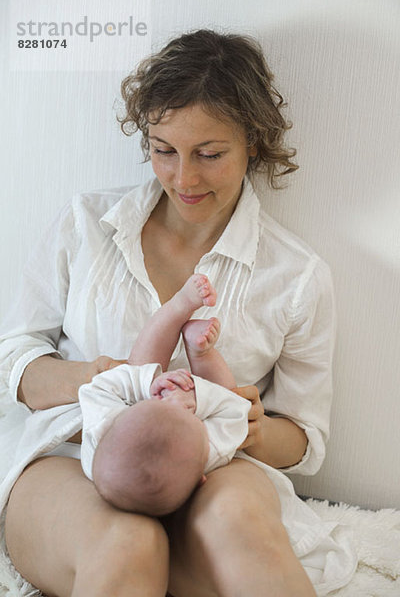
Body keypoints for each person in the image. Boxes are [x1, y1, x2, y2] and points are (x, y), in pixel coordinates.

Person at [0, 29, 357, 597]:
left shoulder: (296, 276)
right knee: (125, 546)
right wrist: (97, 380)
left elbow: (305, 438)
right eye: (163, 149)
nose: (183, 179)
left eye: (209, 155)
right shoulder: (85, 225)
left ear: (254, 145)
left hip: (214, 467)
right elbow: (13, 357)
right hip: (75, 455)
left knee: (241, 531)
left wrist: (253, 430)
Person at [86, 273, 250, 517]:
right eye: (183, 415)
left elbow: (98, 388)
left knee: (138, 365)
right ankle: (201, 352)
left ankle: (179, 306)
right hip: (203, 401)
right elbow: (236, 410)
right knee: (227, 392)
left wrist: (148, 384)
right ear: (200, 479)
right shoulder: (207, 454)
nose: (170, 398)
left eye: (157, 406)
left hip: (138, 394)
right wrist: (197, 398)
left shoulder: (99, 446)